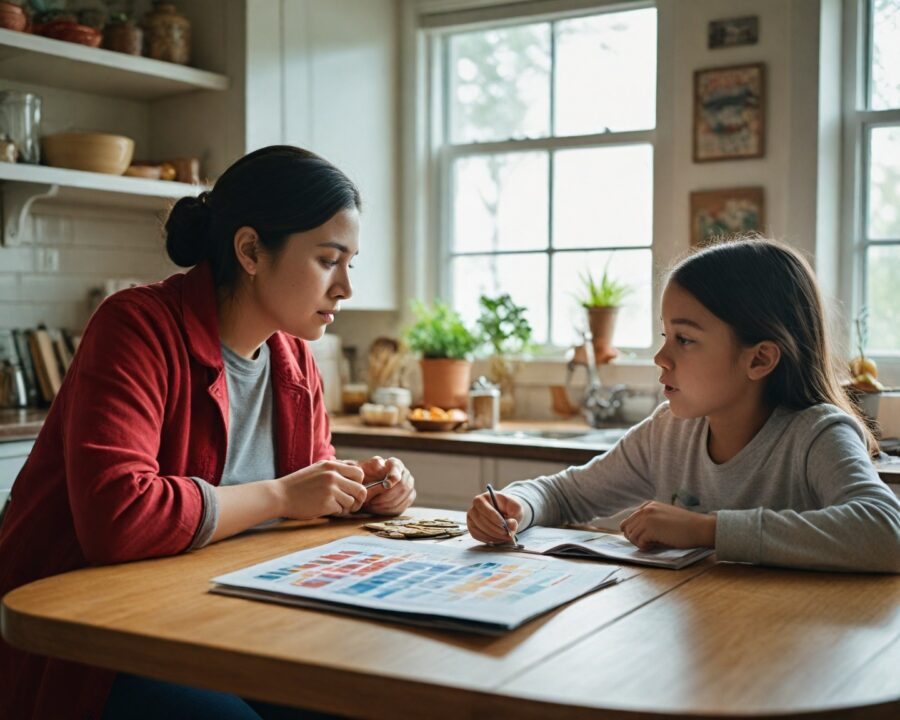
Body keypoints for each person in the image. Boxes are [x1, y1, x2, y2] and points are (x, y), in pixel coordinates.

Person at [0, 145, 416, 720]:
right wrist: (282, 495)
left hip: (228, 621)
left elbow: (308, 501)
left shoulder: (295, 359)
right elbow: (118, 518)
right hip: (99, 644)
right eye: (327, 260)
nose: (345, 286)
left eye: (351, 263)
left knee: (376, 701)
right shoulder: (136, 326)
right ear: (250, 250)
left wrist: (362, 493)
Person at [467, 238, 900, 573]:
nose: (661, 358)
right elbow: (566, 493)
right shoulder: (670, 432)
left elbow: (887, 533)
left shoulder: (817, 434)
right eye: (664, 336)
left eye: (685, 339)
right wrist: (519, 505)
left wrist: (708, 530)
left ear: (760, 358)